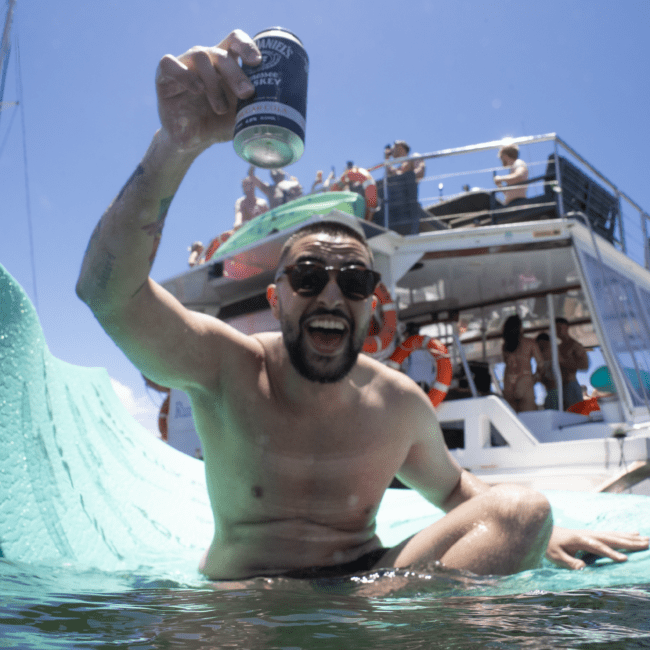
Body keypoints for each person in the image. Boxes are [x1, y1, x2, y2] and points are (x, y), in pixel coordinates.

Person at [76, 29, 648, 581]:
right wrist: (176, 145)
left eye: (353, 280)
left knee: (522, 511)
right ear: (277, 301)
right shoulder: (228, 368)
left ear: (370, 306)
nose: (330, 293)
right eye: (308, 275)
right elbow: (108, 294)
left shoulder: (394, 401)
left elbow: (455, 491)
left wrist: (544, 532)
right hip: (248, 597)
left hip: (365, 585)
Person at [501, 315, 544, 413]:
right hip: (524, 379)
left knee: (512, 418)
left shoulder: (505, 346)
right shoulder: (530, 343)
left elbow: (506, 361)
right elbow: (541, 364)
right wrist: (536, 378)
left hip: (508, 380)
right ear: (520, 327)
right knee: (529, 417)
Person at [556, 317, 590, 410]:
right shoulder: (558, 347)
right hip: (559, 387)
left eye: (559, 328)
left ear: (566, 327)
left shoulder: (575, 345)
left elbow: (584, 366)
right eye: (555, 329)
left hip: (571, 385)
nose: (556, 331)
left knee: (576, 414)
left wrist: (563, 362)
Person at [535, 332, 559, 410]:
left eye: (543, 348)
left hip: (558, 393)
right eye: (539, 348)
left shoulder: (557, 359)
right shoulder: (541, 364)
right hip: (548, 393)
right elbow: (538, 377)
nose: (541, 351)